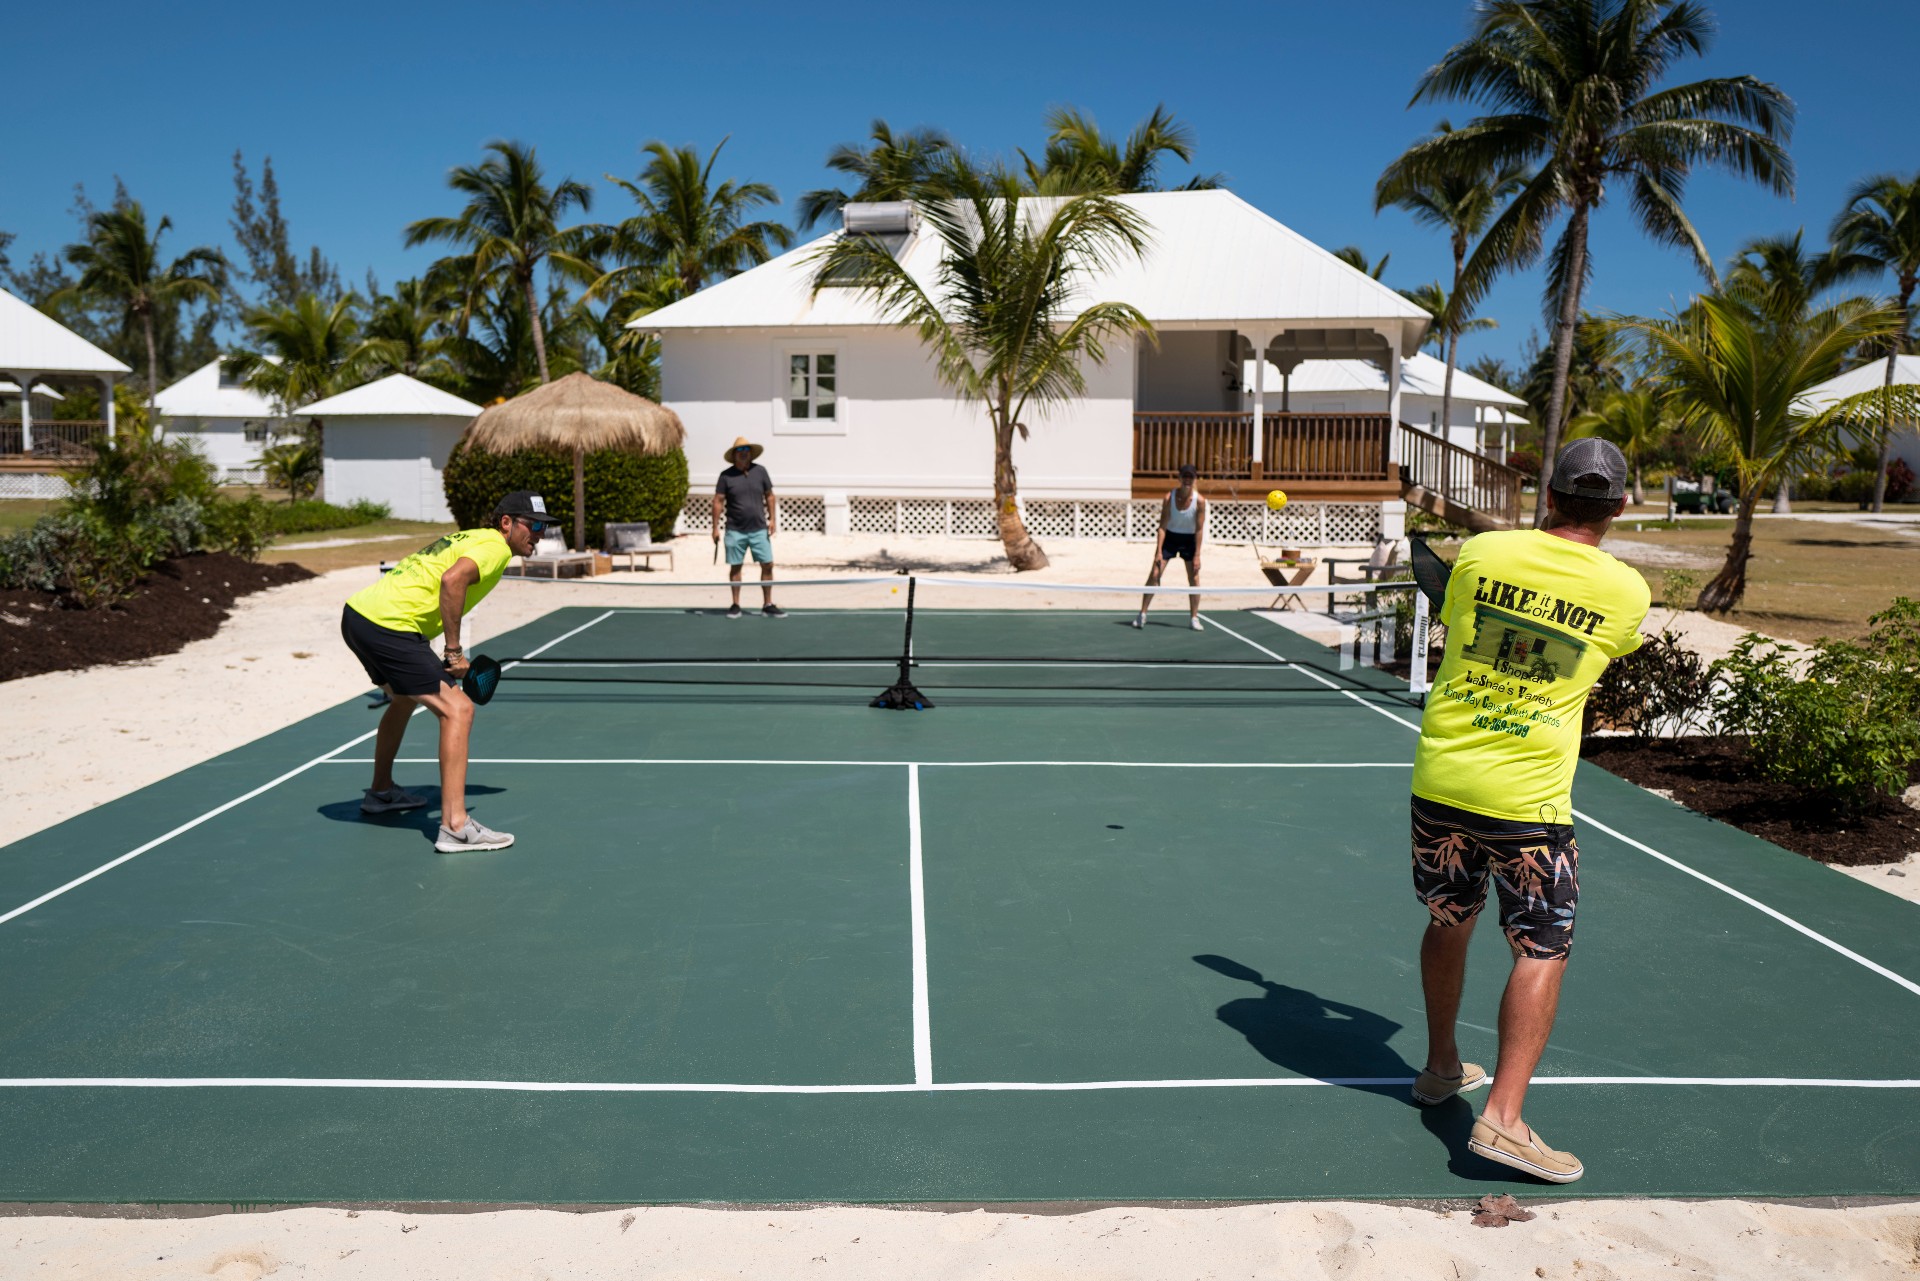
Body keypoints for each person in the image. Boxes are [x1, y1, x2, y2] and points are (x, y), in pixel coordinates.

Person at [1408, 438, 1650, 1184]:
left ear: (1549, 495)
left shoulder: (1482, 555)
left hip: (1442, 781)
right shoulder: (1625, 591)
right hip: (1528, 801)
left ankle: (1441, 1066)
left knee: (1450, 919)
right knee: (1540, 948)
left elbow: (1454, 614)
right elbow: (1608, 649)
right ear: (1617, 507)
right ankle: (1503, 1120)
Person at [339, 491, 557, 853]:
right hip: (392, 626)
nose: (539, 534)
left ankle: (380, 792)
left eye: (543, 527)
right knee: (459, 710)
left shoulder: (472, 537)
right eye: (532, 525)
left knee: (405, 699)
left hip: (359, 616)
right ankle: (456, 826)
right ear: (506, 523)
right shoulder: (495, 548)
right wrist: (453, 652)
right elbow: (453, 581)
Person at [712, 436, 783, 619]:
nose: (744, 454)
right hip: (735, 529)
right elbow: (718, 501)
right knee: (736, 567)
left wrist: (773, 519)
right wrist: (715, 528)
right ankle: (736, 604)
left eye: (746, 451)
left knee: (767, 564)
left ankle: (767, 604)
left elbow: (770, 496)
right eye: (740, 451)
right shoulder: (726, 476)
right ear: (734, 455)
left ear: (751, 454)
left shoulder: (760, 472)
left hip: (759, 528)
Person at [1131, 463, 1207, 630]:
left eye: (1191, 476)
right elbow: (1162, 526)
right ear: (1179, 478)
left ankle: (1194, 618)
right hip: (1170, 538)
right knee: (1155, 574)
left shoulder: (1200, 501)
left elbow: (1200, 529)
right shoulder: (1169, 497)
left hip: (1189, 540)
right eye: (1185, 476)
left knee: (1194, 578)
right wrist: (1158, 552)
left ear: (1194, 479)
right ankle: (1142, 614)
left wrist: (1197, 555)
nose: (1187, 479)